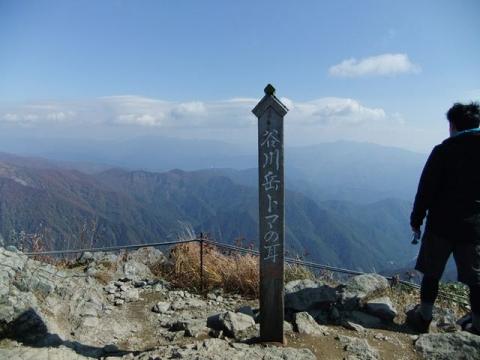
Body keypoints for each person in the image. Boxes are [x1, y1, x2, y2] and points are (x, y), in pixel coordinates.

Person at [408, 102, 480, 334]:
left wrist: (416, 219)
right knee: (475, 280)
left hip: (441, 224)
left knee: (432, 273)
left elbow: (426, 188)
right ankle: (477, 326)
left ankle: (424, 317)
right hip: (474, 228)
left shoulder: (443, 151)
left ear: (453, 124)